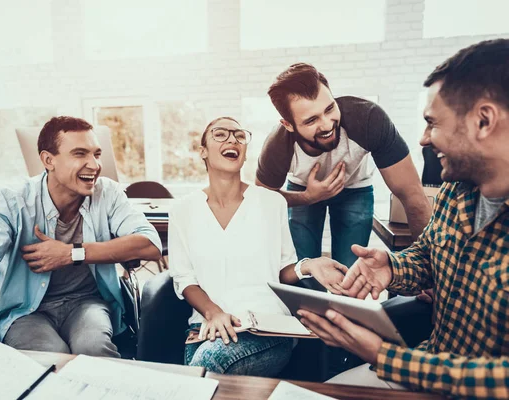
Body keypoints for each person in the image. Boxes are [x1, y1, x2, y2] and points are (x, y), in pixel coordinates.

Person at [297, 39, 509, 399]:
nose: (424, 139)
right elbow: (427, 254)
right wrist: (391, 269)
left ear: (483, 121)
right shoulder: (457, 190)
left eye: (432, 124)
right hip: (424, 364)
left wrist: (382, 356)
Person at [0, 116, 161, 378]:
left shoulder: (107, 193)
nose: (95, 165)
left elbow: (149, 243)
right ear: (48, 160)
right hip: (24, 311)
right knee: (50, 361)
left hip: (87, 303)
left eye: (97, 154)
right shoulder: (11, 201)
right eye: (80, 154)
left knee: (95, 350)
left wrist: (71, 253)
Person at [169, 117, 348, 377]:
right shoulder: (182, 211)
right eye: (220, 134)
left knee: (205, 369)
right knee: (204, 371)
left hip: (266, 327)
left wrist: (308, 265)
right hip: (207, 327)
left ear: (244, 153)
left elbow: (283, 270)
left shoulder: (271, 202)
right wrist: (214, 312)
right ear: (203, 152)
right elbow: (183, 278)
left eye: (239, 135)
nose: (232, 139)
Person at [256, 63, 432, 268]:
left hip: (356, 188)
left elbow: (412, 195)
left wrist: (430, 270)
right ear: (288, 125)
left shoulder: (368, 119)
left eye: (329, 108)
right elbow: (262, 199)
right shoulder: (277, 146)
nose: (327, 124)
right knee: (304, 269)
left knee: (351, 271)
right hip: (302, 191)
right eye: (311, 120)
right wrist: (308, 197)